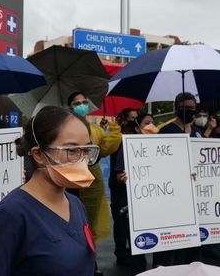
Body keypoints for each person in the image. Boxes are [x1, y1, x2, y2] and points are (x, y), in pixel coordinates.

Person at [0, 106, 97, 276]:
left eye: (86, 150)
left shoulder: (76, 204)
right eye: (71, 150)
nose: (82, 159)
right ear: (39, 155)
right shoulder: (11, 215)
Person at [68, 92, 122, 276]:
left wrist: (114, 129)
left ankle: (92, 263)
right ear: (70, 107)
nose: (82, 105)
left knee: (92, 225)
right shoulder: (65, 127)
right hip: (71, 182)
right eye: (77, 103)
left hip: (94, 182)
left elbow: (107, 148)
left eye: (84, 102)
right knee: (75, 224)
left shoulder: (95, 129)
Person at [153, 92, 203, 267]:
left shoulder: (198, 132)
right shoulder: (166, 131)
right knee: (171, 245)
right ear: (176, 108)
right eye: (185, 108)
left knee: (191, 245)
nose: (189, 111)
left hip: (194, 197)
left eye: (192, 108)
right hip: (173, 196)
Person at [113, 112, 158, 275]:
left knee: (160, 242)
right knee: (139, 244)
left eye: (153, 123)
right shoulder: (127, 145)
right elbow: (119, 174)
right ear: (138, 127)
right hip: (135, 204)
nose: (151, 126)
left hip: (158, 203)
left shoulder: (163, 147)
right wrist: (122, 177)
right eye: (146, 123)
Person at [109, 108, 138, 267]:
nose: (134, 120)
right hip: (119, 186)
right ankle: (121, 252)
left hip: (136, 186)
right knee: (120, 222)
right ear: (124, 119)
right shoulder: (118, 137)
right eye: (131, 118)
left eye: (136, 118)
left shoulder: (139, 135)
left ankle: (133, 251)